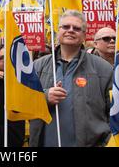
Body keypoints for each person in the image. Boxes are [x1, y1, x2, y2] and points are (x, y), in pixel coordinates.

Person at [29, 10, 113, 147]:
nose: (71, 30)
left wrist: (105, 143)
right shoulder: (37, 67)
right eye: (66, 27)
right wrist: (44, 97)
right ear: (58, 31)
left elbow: (115, 113)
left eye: (77, 28)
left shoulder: (103, 69)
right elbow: (22, 105)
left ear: (84, 35)